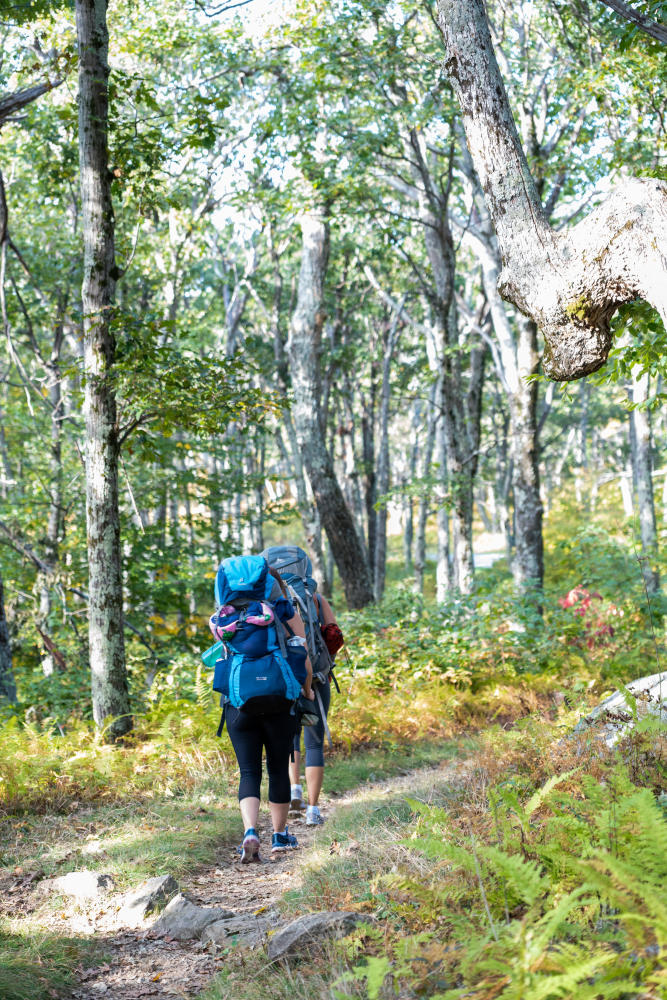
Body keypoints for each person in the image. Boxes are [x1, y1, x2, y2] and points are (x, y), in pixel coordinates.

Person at [211, 564, 314, 863]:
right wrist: (306, 689)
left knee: (249, 771)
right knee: (278, 768)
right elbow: (302, 648)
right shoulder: (280, 608)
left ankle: (250, 832)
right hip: (279, 700)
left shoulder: (221, 618)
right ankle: (280, 837)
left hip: (238, 703)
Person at [289, 590, 339, 827]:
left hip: (283, 682)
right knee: (314, 743)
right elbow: (334, 633)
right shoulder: (315, 599)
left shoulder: (268, 600)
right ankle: (313, 810)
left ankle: (294, 795)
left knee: (291, 739)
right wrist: (327, 660)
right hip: (317, 679)